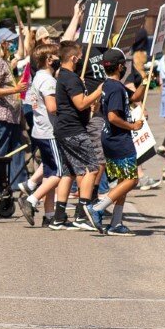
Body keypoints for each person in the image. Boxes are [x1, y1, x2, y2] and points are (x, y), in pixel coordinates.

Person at [44, 40, 108, 232]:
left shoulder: (64, 76)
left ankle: (58, 217)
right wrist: (98, 92)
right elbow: (80, 104)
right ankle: (82, 213)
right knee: (92, 168)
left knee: (69, 172)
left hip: (63, 129)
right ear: (73, 58)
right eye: (79, 58)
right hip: (73, 131)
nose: (81, 60)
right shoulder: (71, 79)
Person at [90, 47, 142, 235]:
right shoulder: (116, 88)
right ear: (120, 67)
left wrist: (144, 80)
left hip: (110, 138)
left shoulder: (107, 85)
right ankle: (98, 207)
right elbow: (112, 116)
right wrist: (132, 126)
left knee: (122, 182)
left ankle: (116, 223)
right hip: (118, 139)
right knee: (132, 180)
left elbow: (134, 97)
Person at [18, 40, 68, 228]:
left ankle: (49, 215)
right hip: (50, 131)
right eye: (56, 56)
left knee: (49, 174)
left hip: (40, 130)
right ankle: (31, 199)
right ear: (48, 60)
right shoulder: (48, 81)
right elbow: (52, 107)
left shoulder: (37, 76)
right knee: (59, 173)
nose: (58, 59)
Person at [0, 27, 27, 190]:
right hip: (0, 116)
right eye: (11, 41)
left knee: (17, 151)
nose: (14, 44)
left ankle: (18, 185)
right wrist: (15, 90)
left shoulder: (5, 62)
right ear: (3, 44)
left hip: (11, 116)